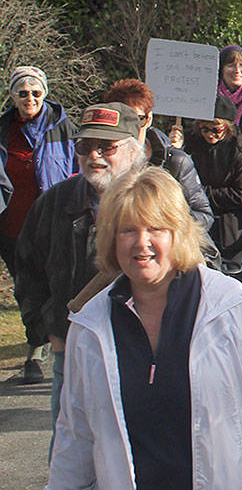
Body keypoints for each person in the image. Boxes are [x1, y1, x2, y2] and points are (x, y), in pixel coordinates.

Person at [49, 167, 242, 488]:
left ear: (178, 232)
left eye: (155, 228)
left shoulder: (232, 309)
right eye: (127, 230)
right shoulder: (90, 327)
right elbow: (75, 439)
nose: (141, 243)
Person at [14, 104, 149, 432]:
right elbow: (27, 269)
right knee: (69, 448)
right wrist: (48, 329)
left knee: (137, 451)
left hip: (142, 353)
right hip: (72, 349)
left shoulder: (160, 200)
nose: (94, 156)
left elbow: (197, 262)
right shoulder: (54, 202)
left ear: (134, 151)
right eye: (84, 147)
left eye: (106, 147)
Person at [0, 66, 69, 383]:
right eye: (23, 93)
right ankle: (37, 343)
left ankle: (42, 349)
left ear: (45, 94)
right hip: (12, 224)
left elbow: (76, 170)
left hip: (52, 221)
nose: (30, 98)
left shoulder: (63, 128)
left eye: (36, 93)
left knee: (52, 282)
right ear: (12, 96)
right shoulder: (3, 129)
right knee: (24, 286)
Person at [102, 79, 215, 228]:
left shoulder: (174, 161)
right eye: (123, 120)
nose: (130, 128)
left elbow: (204, 216)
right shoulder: (99, 160)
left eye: (137, 119)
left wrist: (165, 218)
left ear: (149, 119)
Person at [187, 95, 242, 285]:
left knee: (234, 289)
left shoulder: (241, 146)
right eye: (205, 129)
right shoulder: (192, 144)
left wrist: (199, 193)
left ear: (227, 127)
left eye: (216, 130)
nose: (210, 135)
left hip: (233, 233)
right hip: (199, 232)